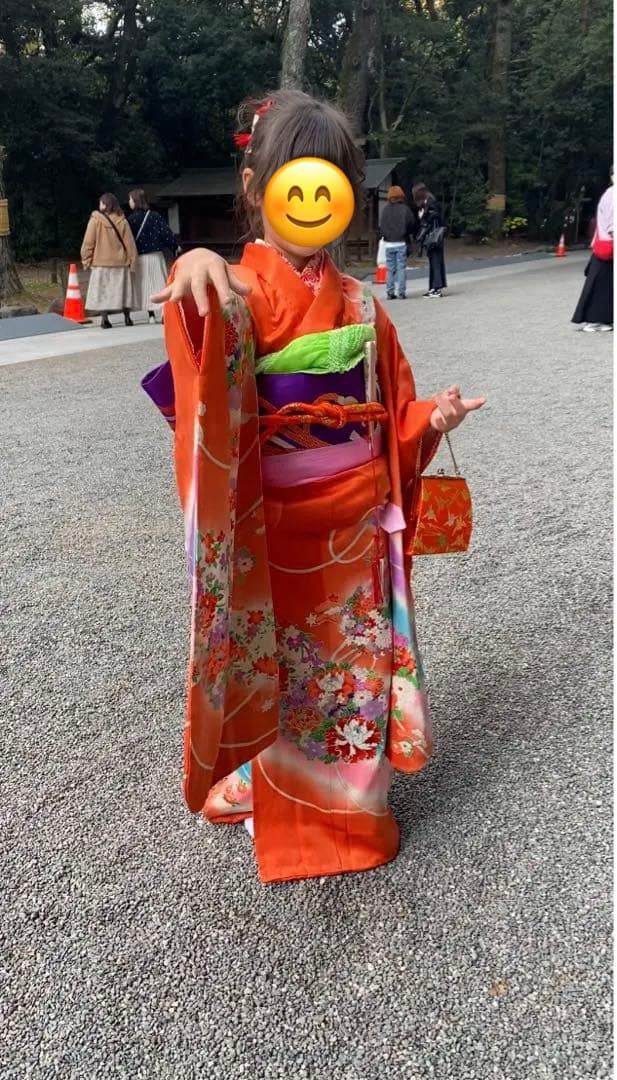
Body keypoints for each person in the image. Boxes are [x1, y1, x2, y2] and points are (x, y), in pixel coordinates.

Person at [144, 90, 486, 884]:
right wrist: (196, 266)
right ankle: (274, 799)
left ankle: (348, 817)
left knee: (351, 679)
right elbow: (200, 360)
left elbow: (389, 410)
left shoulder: (362, 303)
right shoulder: (232, 287)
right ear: (254, 185)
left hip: (354, 530)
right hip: (272, 534)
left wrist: (430, 419)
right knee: (281, 673)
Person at [80, 193, 138, 329]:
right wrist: (133, 262)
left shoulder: (95, 221)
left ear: (105, 204)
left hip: (101, 263)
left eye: (101, 202)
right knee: (123, 292)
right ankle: (127, 317)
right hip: (120, 263)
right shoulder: (122, 221)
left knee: (103, 292)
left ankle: (105, 319)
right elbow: (130, 244)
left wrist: (86, 260)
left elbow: (88, 242)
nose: (99, 204)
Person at [127, 189, 179, 324]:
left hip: (140, 258)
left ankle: (150, 315)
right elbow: (166, 233)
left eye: (130, 199)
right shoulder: (155, 216)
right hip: (156, 256)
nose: (129, 202)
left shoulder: (130, 220)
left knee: (145, 286)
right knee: (160, 284)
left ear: (136, 201)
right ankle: (163, 312)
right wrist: (175, 246)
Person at [572, 171, 613, 332]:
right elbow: (612, 224)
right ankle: (595, 319)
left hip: (606, 245)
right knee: (601, 283)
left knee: (605, 283)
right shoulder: (612, 195)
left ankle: (602, 318)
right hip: (609, 245)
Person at [379, 186, 414, 300]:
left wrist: (386, 236)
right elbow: (411, 224)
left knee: (390, 269)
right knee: (401, 268)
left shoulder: (385, 210)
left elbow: (382, 226)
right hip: (401, 242)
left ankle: (390, 291)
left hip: (389, 243)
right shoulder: (405, 209)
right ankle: (401, 292)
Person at [413, 182, 447, 297]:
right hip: (434, 236)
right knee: (434, 262)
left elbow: (433, 218)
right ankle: (434, 287)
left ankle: (436, 287)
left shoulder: (431, 203)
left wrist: (423, 216)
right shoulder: (429, 202)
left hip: (433, 236)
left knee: (435, 262)